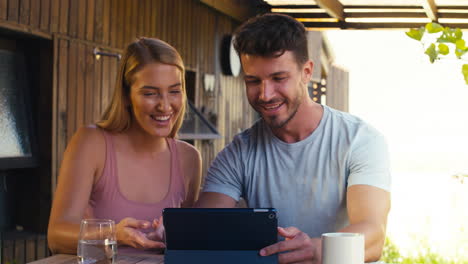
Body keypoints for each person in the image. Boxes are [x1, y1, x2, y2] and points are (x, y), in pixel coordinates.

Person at [195, 13, 391, 264]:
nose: (265, 94)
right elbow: (202, 228)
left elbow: (373, 235)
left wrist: (316, 248)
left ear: (307, 72)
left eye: (279, 78)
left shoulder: (359, 140)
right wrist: (166, 233)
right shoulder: (239, 153)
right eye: (253, 81)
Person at [48, 37, 201, 254]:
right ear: (126, 95)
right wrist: (113, 235)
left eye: (174, 91)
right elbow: (56, 236)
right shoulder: (92, 142)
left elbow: (187, 245)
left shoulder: (189, 158)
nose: (165, 106)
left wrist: (173, 234)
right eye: (150, 93)